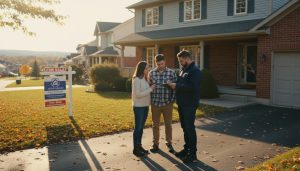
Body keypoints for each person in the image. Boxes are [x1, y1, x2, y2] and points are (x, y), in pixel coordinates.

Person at [167, 50, 201, 163]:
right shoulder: (183, 69)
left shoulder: (195, 71)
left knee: (190, 128)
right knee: (184, 128)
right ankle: (187, 149)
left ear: (187, 58)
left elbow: (193, 87)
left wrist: (176, 86)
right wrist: (172, 84)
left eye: (181, 61)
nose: (180, 63)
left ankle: (193, 154)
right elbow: (182, 83)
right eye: (179, 61)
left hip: (190, 104)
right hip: (182, 103)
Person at [148, 54, 176, 153]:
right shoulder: (151, 73)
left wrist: (172, 100)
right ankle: (155, 144)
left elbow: (175, 88)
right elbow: (149, 87)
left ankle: (169, 143)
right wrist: (150, 101)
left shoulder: (171, 73)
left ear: (165, 62)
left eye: (162, 64)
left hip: (167, 103)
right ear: (156, 63)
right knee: (155, 125)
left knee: (168, 124)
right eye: (158, 64)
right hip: (155, 103)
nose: (160, 66)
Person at [132, 61, 156, 157]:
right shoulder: (136, 79)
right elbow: (138, 94)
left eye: (148, 68)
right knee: (138, 128)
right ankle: (135, 149)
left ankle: (139, 146)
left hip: (145, 106)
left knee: (141, 128)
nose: (148, 70)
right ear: (141, 69)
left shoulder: (145, 79)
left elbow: (145, 92)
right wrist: (151, 89)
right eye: (146, 68)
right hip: (139, 107)